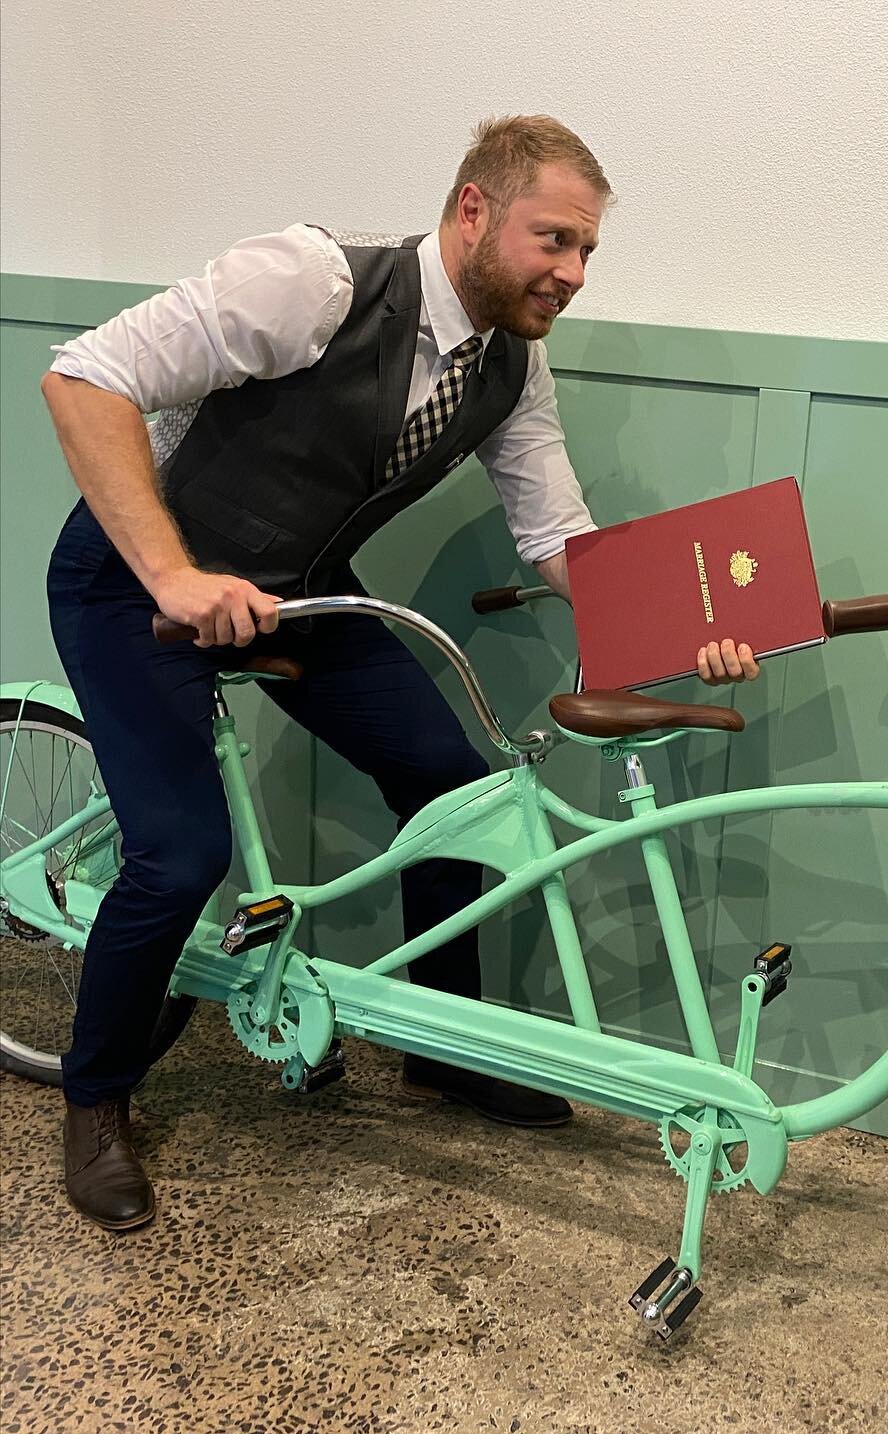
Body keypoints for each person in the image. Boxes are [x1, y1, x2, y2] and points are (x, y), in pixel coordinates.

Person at [40, 114, 761, 1232]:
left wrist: (693, 621)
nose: (571, 274)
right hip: (134, 584)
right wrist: (175, 575)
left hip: (297, 587)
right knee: (181, 854)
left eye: (587, 253)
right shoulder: (312, 280)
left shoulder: (511, 369)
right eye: (554, 241)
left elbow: (558, 542)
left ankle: (439, 1046)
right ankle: (95, 1099)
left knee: (454, 786)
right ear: (474, 208)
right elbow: (87, 377)